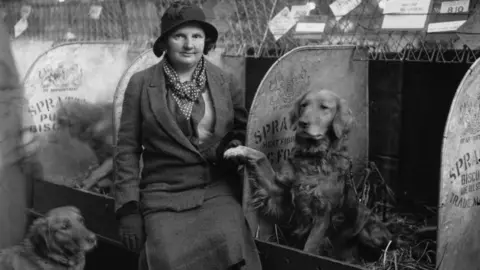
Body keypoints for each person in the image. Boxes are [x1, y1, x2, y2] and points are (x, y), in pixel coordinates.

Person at [113, 2, 262, 270]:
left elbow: (241, 129)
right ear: (165, 42)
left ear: (206, 42)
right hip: (163, 193)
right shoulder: (141, 84)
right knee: (166, 259)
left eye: (197, 36)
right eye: (179, 36)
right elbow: (127, 149)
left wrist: (232, 147)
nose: (189, 44)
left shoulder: (226, 81)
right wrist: (128, 208)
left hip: (214, 188)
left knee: (234, 246)